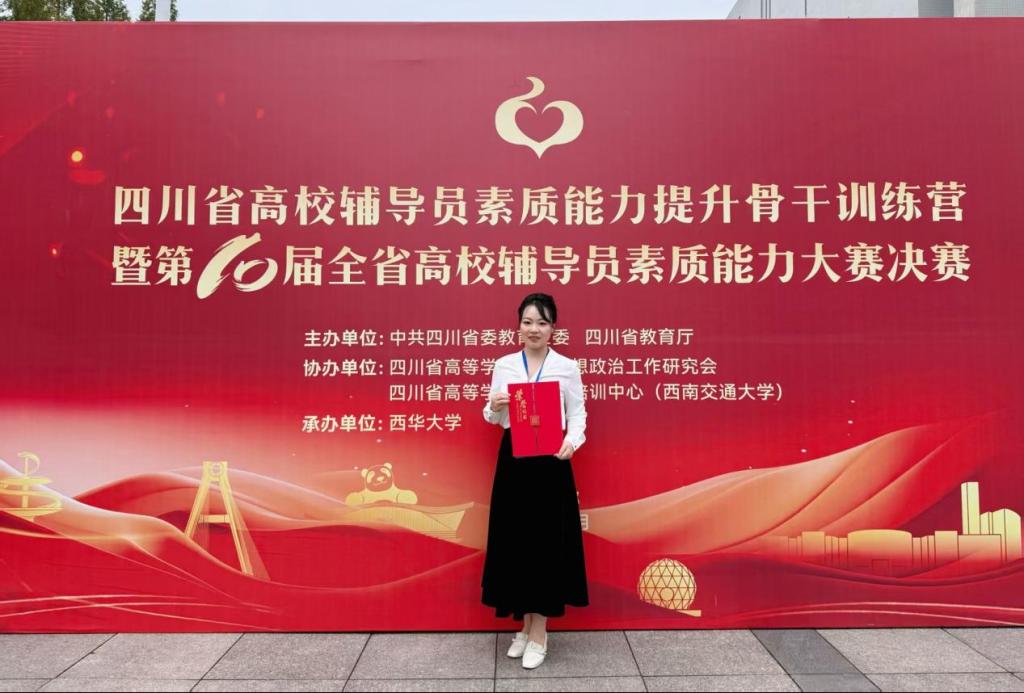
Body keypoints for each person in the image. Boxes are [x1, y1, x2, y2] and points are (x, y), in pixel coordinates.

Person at [480, 293, 589, 670]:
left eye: (542, 322)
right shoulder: (505, 365)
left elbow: (578, 414)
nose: (534, 329)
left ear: (553, 328)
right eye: (528, 322)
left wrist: (572, 442)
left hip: (550, 464)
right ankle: (524, 628)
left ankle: (540, 633)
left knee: (544, 545)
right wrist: (494, 406)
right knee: (516, 544)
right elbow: (492, 417)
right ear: (518, 326)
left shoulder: (566, 367)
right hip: (514, 461)